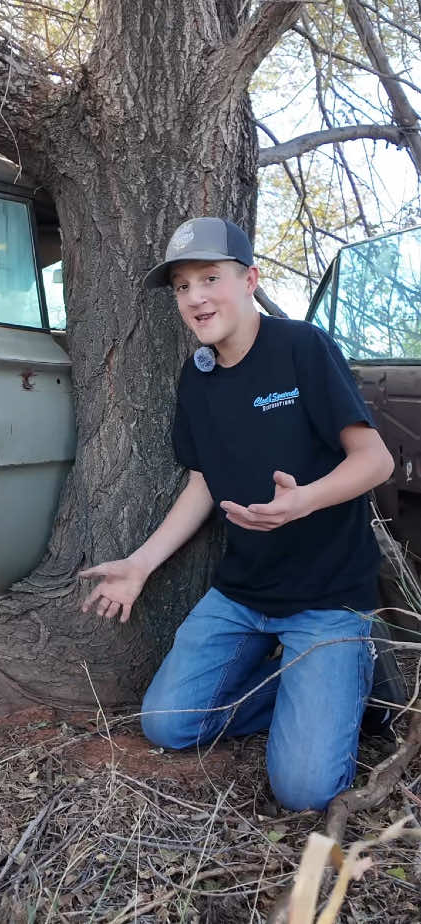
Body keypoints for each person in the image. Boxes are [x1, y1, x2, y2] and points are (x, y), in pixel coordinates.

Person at [79, 217, 395, 812]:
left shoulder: (302, 347)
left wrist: (302, 501)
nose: (195, 297)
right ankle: (309, 690)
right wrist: (141, 565)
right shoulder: (197, 381)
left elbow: (374, 461)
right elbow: (203, 481)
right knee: (168, 725)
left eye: (209, 277)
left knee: (304, 791)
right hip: (243, 594)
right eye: (180, 286)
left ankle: (346, 680)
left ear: (249, 278)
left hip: (327, 599)